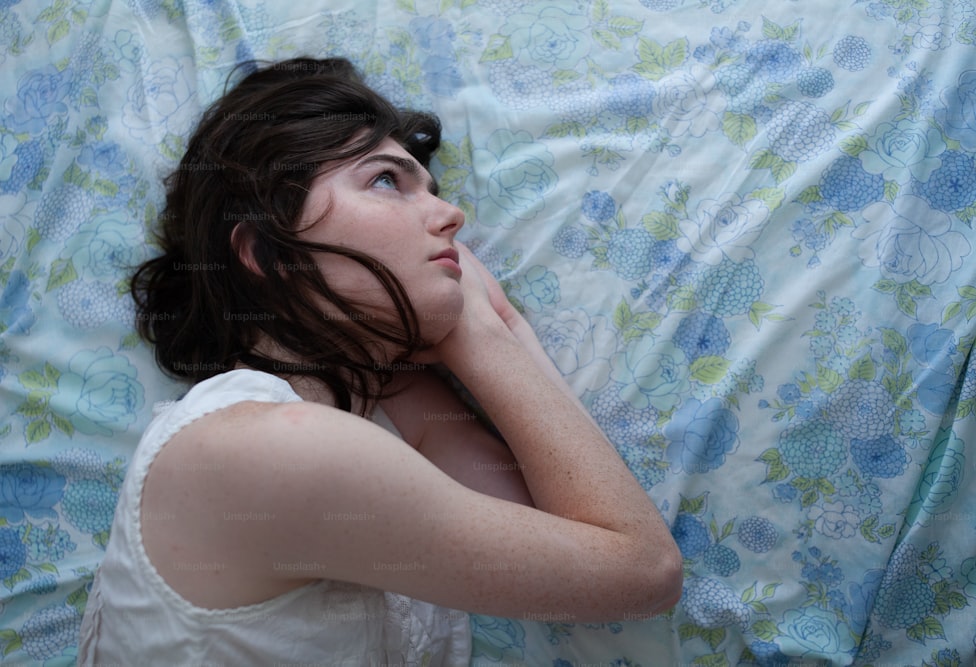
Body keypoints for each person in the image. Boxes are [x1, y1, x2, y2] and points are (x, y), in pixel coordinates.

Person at [77, 57, 682, 666]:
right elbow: (641, 571)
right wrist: (478, 328)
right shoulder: (269, 448)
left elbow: (571, 532)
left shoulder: (391, 410)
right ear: (268, 250)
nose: (451, 216)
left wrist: (498, 329)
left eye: (432, 188)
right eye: (388, 181)